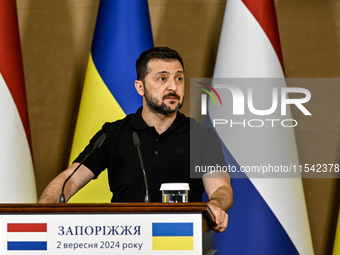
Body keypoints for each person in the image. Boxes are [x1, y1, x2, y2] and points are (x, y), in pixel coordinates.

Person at [38, 47, 233, 233]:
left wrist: (215, 205)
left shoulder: (201, 135)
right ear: (140, 87)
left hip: (181, 238)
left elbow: (221, 189)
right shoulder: (113, 133)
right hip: (125, 241)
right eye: (162, 78)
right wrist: (45, 206)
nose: (173, 87)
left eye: (179, 78)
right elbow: (68, 181)